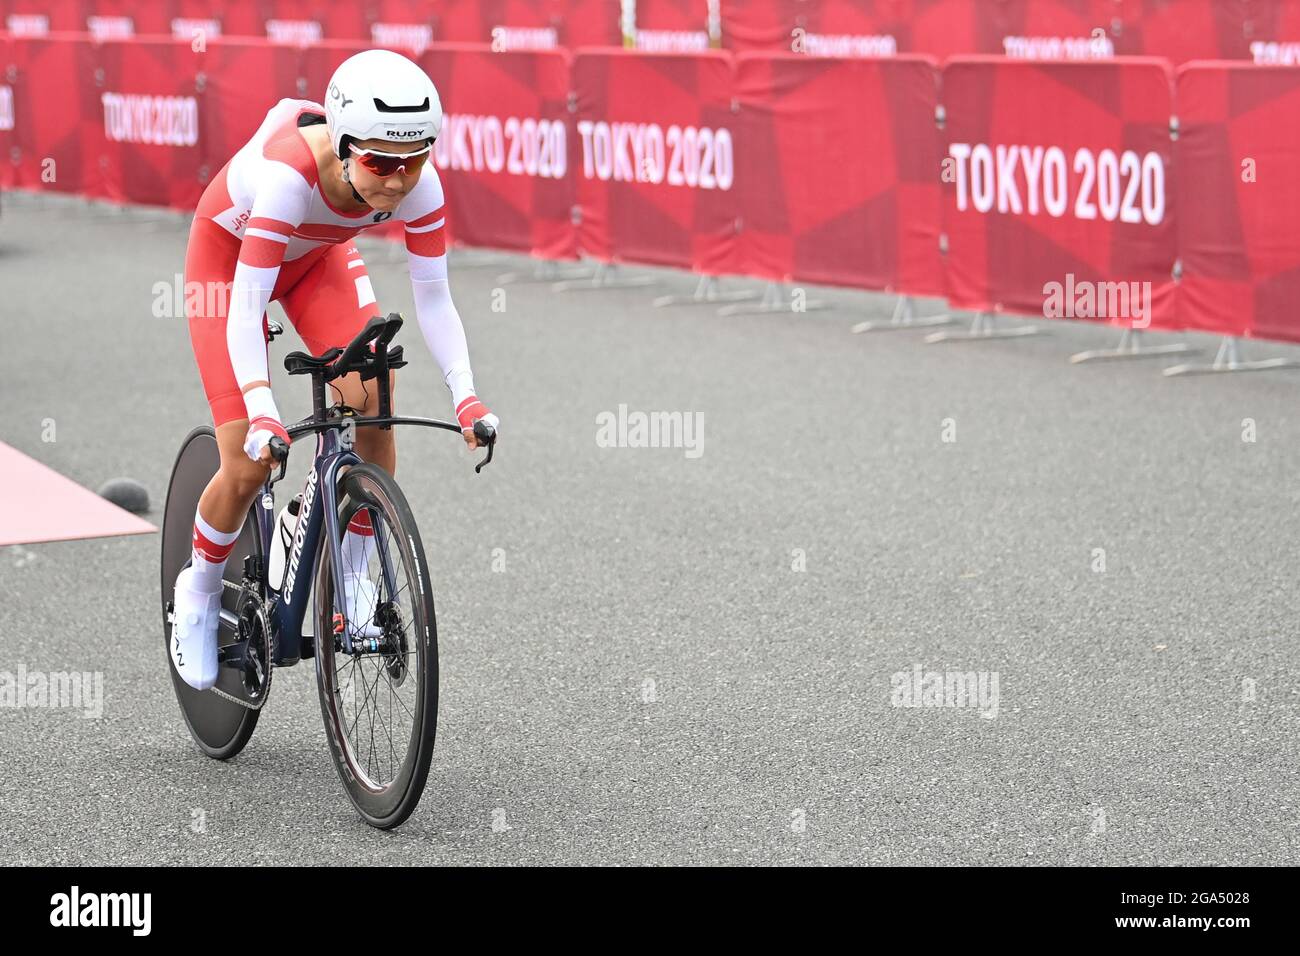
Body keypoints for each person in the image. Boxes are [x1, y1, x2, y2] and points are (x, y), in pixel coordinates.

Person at [171, 49, 497, 691]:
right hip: (229, 264)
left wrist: (467, 398)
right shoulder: (291, 177)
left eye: (416, 159)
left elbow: (434, 296)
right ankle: (200, 590)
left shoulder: (417, 182)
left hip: (316, 256)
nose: (400, 181)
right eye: (380, 162)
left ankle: (352, 568)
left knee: (374, 394)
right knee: (246, 461)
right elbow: (245, 307)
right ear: (346, 147)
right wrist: (263, 408)